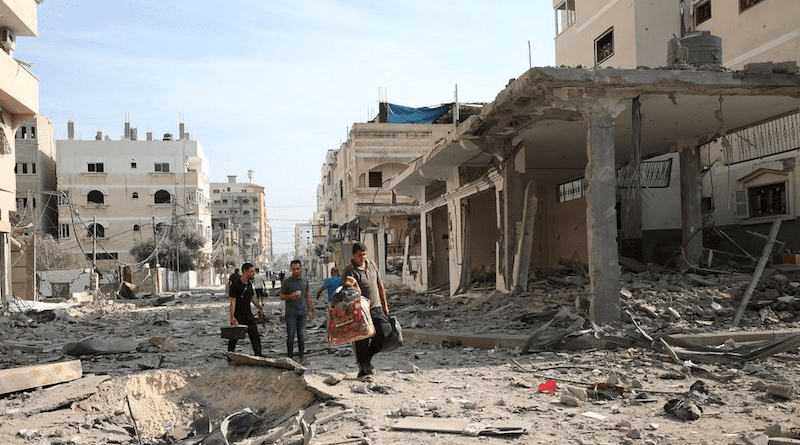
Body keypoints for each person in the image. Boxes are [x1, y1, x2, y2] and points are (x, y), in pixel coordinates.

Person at [341, 242, 391, 380]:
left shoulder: (372, 265)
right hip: (359, 310)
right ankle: (364, 369)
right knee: (361, 340)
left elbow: (380, 285)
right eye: (359, 255)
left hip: (376, 307)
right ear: (353, 256)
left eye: (364, 254)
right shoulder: (349, 270)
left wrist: (385, 305)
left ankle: (367, 360)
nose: (362, 257)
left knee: (384, 332)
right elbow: (346, 292)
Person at [228, 263, 265, 357]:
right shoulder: (236, 284)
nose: (253, 273)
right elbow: (233, 302)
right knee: (234, 337)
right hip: (238, 315)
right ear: (245, 272)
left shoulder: (248, 284)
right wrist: (232, 317)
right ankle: (230, 356)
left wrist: (260, 308)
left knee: (255, 335)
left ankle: (258, 355)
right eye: (251, 271)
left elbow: (252, 298)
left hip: (248, 314)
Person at [279, 260, 313, 364]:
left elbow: (307, 295)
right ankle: (290, 357)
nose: (296, 271)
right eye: (294, 269)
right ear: (291, 269)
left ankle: (301, 357)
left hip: (302, 312)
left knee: (302, 335)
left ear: (301, 268)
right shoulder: (287, 282)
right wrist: (291, 296)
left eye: (298, 269)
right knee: (291, 335)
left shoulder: (305, 280)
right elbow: (281, 296)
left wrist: (310, 310)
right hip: (291, 313)